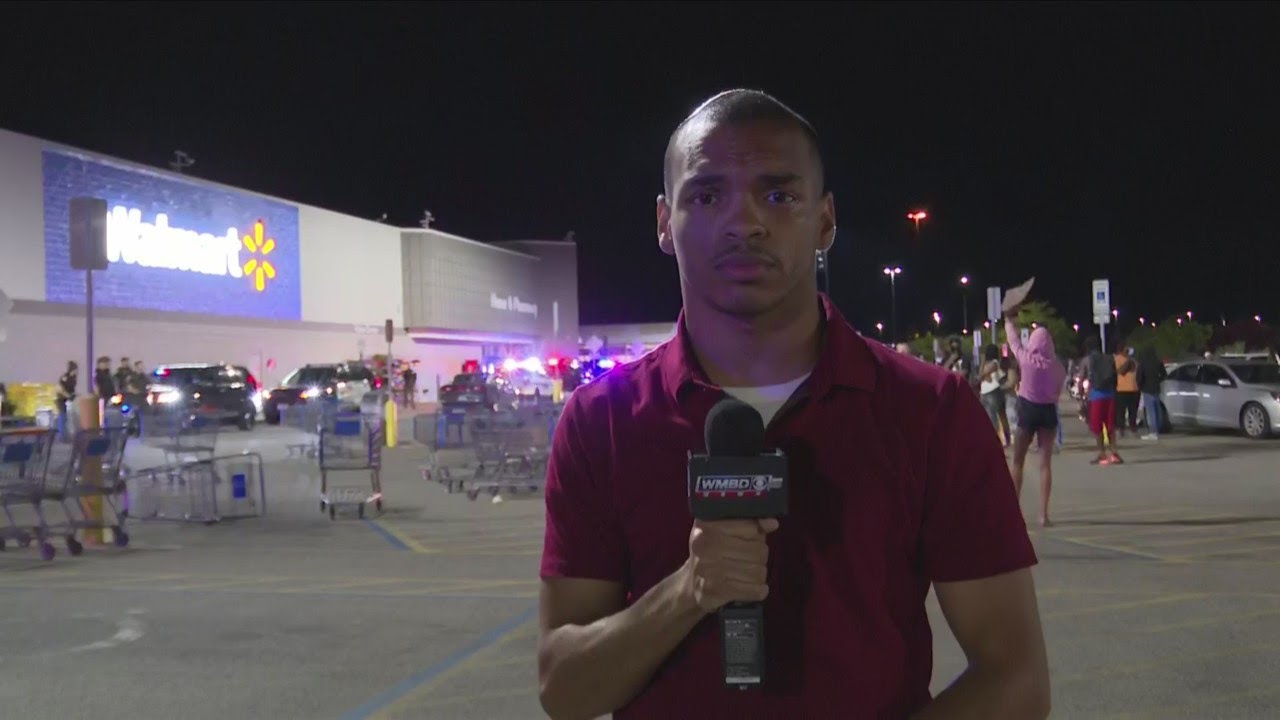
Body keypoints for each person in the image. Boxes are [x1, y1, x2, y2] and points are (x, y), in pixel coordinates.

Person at [537, 90, 1049, 720]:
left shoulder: (931, 412)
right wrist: (687, 592)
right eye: (707, 195)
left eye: (778, 195)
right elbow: (564, 689)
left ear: (826, 221)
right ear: (665, 223)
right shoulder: (600, 423)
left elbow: (1016, 680)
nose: (744, 220)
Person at [1003, 305, 1066, 527]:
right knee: (1045, 464)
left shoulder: (1027, 360)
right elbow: (1058, 392)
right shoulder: (1058, 367)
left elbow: (1013, 342)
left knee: (1017, 461)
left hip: (1028, 410)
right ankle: (1043, 514)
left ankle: (1013, 511)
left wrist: (1009, 320)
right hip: (1049, 411)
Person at [1081, 337, 1122, 465]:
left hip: (1096, 396)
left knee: (1097, 427)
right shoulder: (1109, 358)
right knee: (1110, 425)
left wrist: (1082, 395)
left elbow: (1082, 378)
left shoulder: (1087, 360)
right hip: (1110, 395)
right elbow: (1115, 376)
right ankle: (1114, 453)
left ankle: (1102, 453)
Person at [979, 343, 1012, 447]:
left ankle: (999, 440)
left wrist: (984, 373)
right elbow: (983, 374)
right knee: (996, 416)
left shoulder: (994, 363)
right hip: (989, 391)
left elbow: (982, 374)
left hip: (992, 391)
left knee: (995, 416)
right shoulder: (992, 363)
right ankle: (1003, 439)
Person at [1136, 345, 1166, 440]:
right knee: (1157, 410)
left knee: (1150, 411)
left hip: (1147, 389)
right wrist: (1158, 380)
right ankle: (1158, 429)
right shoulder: (1158, 362)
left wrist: (1140, 386)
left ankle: (1153, 432)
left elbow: (1139, 377)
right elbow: (1164, 374)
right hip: (1156, 389)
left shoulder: (1143, 363)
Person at [1113, 343, 1139, 438]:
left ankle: (1133, 429)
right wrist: (1128, 361)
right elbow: (1120, 371)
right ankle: (1121, 430)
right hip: (1122, 389)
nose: (1128, 351)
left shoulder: (1133, 360)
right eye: (1126, 349)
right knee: (1121, 412)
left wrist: (1132, 360)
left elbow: (1136, 369)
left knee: (1133, 411)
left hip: (1134, 389)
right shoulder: (1118, 358)